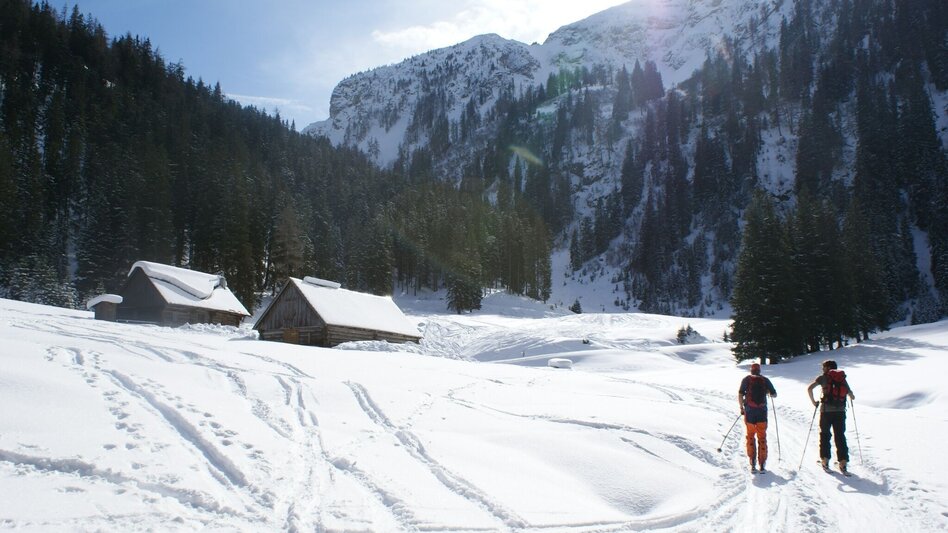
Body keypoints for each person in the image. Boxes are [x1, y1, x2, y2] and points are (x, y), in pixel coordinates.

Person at [807, 359, 855, 473]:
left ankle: (825, 460)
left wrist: (814, 402)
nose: (822, 369)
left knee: (825, 435)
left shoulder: (823, 378)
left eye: (823, 367)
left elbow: (809, 388)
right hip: (840, 412)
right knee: (840, 436)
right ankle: (843, 463)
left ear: (827, 368)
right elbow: (851, 395)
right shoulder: (841, 378)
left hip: (826, 411)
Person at [737, 362, 777, 473]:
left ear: (751, 370)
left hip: (749, 411)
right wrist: (768, 391)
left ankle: (752, 460)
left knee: (750, 435)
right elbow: (774, 394)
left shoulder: (747, 379)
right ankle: (762, 463)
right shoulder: (765, 380)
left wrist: (741, 407)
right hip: (762, 412)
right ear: (759, 370)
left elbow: (740, 394)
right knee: (762, 436)